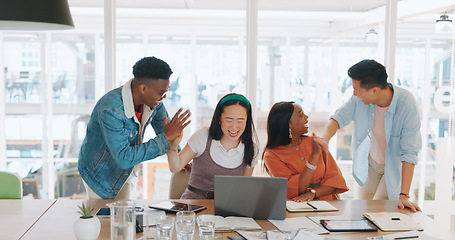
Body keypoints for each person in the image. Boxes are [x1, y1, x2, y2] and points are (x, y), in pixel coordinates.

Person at [78, 56, 191, 199]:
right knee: (112, 219)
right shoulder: (111, 110)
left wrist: (179, 158)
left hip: (124, 171)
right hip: (100, 175)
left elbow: (166, 130)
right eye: (161, 92)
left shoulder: (154, 102)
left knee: (124, 216)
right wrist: (166, 139)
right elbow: (124, 158)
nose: (164, 97)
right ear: (143, 88)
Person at [322, 59, 421, 212]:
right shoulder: (359, 99)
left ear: (375, 90)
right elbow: (337, 118)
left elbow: (410, 152)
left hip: (393, 167)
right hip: (369, 164)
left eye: (356, 89)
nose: (354, 94)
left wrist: (404, 195)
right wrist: (324, 140)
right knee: (360, 210)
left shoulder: (406, 104)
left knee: (378, 212)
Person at [166, 93, 259, 199]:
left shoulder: (251, 149)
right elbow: (175, 167)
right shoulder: (203, 136)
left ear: (247, 121)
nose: (234, 127)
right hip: (195, 205)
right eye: (229, 120)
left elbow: (242, 189)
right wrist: (172, 146)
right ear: (219, 118)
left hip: (227, 208)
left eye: (240, 121)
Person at [263, 102, 348, 202]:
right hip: (295, 206)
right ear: (288, 125)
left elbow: (336, 180)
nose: (306, 117)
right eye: (301, 115)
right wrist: (314, 156)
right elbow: (297, 188)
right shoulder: (271, 155)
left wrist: (313, 193)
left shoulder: (316, 142)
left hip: (327, 205)